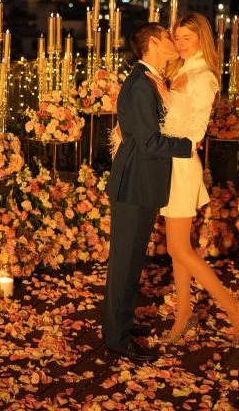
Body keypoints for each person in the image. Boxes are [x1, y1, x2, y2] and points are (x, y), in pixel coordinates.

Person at [145, 12, 239, 344]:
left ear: (202, 39)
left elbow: (194, 133)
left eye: (187, 38)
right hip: (168, 163)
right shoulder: (178, 71)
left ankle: (232, 307)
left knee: (181, 248)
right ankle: (183, 316)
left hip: (180, 165)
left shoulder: (203, 77)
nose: (179, 43)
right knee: (178, 249)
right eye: (176, 37)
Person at [102, 22, 195, 363]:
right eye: (169, 37)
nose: (174, 42)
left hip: (140, 183)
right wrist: (189, 146)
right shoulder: (142, 84)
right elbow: (147, 141)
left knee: (130, 261)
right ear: (154, 42)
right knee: (125, 263)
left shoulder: (149, 80)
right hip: (134, 185)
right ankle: (117, 338)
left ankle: (121, 325)